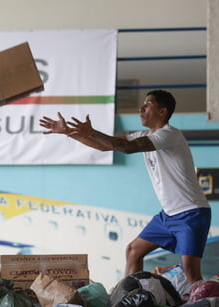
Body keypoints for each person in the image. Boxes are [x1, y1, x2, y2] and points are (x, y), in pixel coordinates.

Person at [40, 90, 211, 285]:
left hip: (191, 212)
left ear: (162, 112)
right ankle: (129, 297)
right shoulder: (144, 134)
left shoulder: (170, 135)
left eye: (148, 104)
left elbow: (128, 148)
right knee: (133, 251)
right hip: (169, 215)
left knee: (191, 272)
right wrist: (69, 132)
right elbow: (104, 146)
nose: (141, 108)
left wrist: (91, 131)